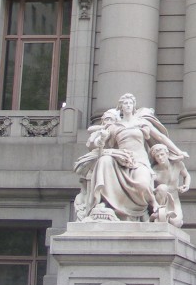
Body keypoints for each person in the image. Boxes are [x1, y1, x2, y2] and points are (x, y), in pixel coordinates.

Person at [74, 93, 188, 222]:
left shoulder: (141, 123)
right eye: (125, 103)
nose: (128, 105)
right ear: (121, 107)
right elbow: (98, 145)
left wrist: (178, 151)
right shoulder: (114, 126)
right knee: (104, 160)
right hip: (121, 160)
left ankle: (154, 204)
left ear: (134, 106)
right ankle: (103, 204)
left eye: (130, 103)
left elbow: (160, 138)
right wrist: (100, 140)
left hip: (139, 160)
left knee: (143, 185)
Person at [150, 143, 191, 227]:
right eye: (157, 156)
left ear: (167, 154)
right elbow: (150, 189)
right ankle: (158, 214)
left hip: (175, 199)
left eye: (162, 154)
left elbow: (186, 175)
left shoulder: (178, 165)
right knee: (162, 187)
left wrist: (186, 185)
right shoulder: (154, 171)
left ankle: (161, 217)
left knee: (177, 223)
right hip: (162, 200)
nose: (160, 158)